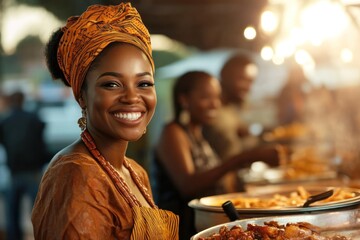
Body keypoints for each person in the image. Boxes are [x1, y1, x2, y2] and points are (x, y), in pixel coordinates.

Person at [31, 3, 179, 239]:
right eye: (111, 84)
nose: (132, 97)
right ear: (82, 96)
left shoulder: (136, 173)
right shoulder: (76, 175)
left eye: (144, 84)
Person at [153, 71, 281, 239]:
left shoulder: (198, 134)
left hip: (203, 226)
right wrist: (241, 158)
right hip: (182, 231)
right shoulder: (172, 132)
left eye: (217, 97)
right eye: (206, 97)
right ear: (184, 100)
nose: (215, 104)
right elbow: (187, 185)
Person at [0, 91, 49, 240]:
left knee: (12, 216)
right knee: (39, 214)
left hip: (14, 173)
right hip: (33, 172)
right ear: (23, 100)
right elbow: (42, 144)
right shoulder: (34, 119)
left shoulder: (4, 122)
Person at [203, 53, 260, 161]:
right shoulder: (210, 112)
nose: (248, 88)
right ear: (224, 76)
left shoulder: (229, 108)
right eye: (242, 79)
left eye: (251, 82)